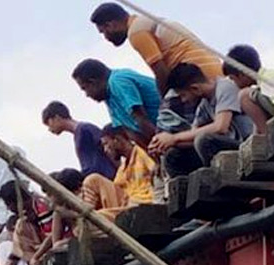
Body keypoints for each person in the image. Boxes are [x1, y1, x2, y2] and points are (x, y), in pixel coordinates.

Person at [89, 3, 221, 95]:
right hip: (215, 71)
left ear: (110, 24)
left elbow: (161, 71)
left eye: (104, 32)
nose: (106, 38)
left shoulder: (136, 32)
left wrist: (165, 104)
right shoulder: (146, 22)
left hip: (200, 79)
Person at [151, 62, 256, 177]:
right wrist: (165, 144)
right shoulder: (204, 104)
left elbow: (221, 127)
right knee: (173, 156)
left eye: (183, 95)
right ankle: (188, 191)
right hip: (222, 147)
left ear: (194, 88)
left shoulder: (225, 87)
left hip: (243, 145)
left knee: (204, 140)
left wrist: (174, 138)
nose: (183, 101)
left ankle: (213, 179)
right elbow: (192, 134)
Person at [72, 59, 162, 147]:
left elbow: (140, 117)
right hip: (161, 134)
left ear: (93, 82)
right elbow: (130, 132)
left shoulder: (117, 81)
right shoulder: (109, 98)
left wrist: (160, 146)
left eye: (85, 88)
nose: (87, 95)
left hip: (172, 121)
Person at [89, 124, 157, 215]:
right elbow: (116, 191)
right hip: (125, 207)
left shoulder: (141, 152)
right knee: (92, 180)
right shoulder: (122, 170)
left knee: (100, 217)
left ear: (116, 140)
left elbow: (157, 172)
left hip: (143, 205)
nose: (105, 150)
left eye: (106, 144)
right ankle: (86, 214)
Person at [1, 180, 69, 265]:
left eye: (8, 204)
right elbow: (13, 256)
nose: (8, 208)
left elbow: (52, 235)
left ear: (17, 201)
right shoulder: (26, 217)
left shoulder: (42, 206)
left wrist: (37, 256)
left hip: (62, 244)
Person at [224, 44, 274, 134]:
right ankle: (263, 136)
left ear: (242, 75)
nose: (233, 83)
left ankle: (267, 138)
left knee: (244, 96)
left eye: (232, 79)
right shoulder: (262, 83)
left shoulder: (267, 79)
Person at [42, 101, 117, 179]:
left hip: (109, 178)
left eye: (49, 124)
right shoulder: (77, 135)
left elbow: (110, 148)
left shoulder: (85, 128)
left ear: (57, 118)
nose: (49, 129)